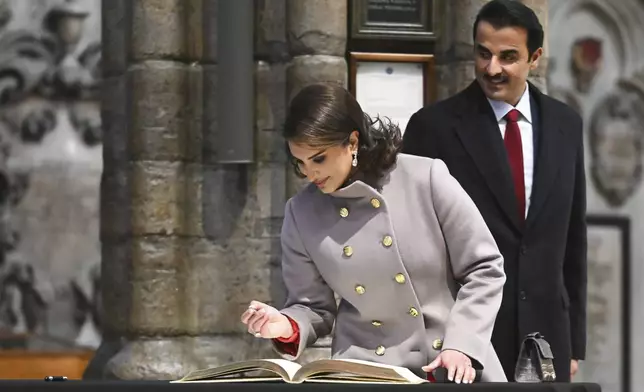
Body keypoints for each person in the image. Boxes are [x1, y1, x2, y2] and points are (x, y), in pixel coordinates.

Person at [240, 83, 507, 383]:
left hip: (450, 366)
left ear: (352, 142)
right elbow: (313, 307)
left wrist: (461, 346)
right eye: (299, 163)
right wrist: (285, 324)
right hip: (366, 374)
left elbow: (484, 268)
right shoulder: (301, 213)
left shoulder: (426, 178)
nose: (309, 173)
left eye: (318, 159)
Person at [402, 0, 587, 383]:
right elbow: (410, 243)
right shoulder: (432, 128)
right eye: (483, 54)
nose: (492, 68)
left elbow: (573, 238)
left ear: (534, 57)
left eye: (508, 57)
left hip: (548, 337)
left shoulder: (567, 125)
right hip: (463, 342)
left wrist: (574, 342)